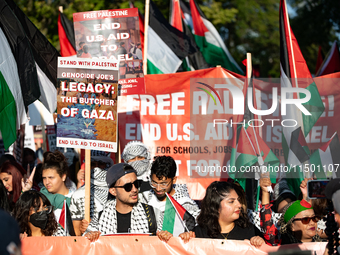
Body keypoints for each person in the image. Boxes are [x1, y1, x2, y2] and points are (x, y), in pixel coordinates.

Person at [84, 163, 162, 241]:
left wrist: (165, 237)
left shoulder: (153, 214)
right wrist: (90, 238)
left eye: (136, 184)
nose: (134, 189)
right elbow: (84, 246)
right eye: (128, 187)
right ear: (113, 191)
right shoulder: (100, 219)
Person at [139, 156, 200, 220]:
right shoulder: (143, 199)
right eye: (154, 183)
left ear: (174, 180)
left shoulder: (186, 206)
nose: (158, 188)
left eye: (163, 184)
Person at [70, 150, 113, 236]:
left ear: (107, 165)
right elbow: (76, 233)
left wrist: (93, 227)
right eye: (93, 164)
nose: (97, 168)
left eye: (100, 164)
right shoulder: (78, 195)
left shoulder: (116, 191)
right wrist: (84, 230)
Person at [40, 151, 76, 235]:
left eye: (51, 178)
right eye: (44, 178)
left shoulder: (76, 197)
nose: (47, 182)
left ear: (63, 176)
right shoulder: (42, 197)